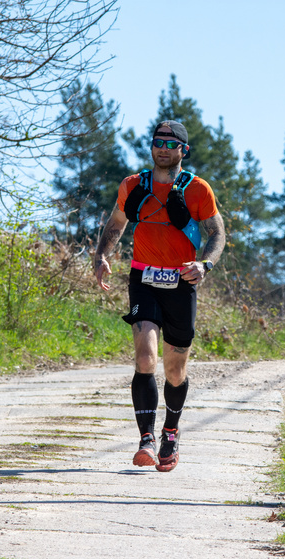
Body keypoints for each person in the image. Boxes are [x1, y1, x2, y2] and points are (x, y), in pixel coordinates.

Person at [94, 120, 225, 472]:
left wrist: (205, 265)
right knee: (145, 358)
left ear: (184, 150)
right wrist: (102, 255)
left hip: (182, 282)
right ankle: (146, 440)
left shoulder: (198, 190)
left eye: (171, 143)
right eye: (157, 142)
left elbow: (217, 235)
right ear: (151, 147)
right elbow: (116, 224)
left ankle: (171, 430)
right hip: (143, 278)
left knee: (175, 370)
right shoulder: (133, 185)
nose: (163, 148)